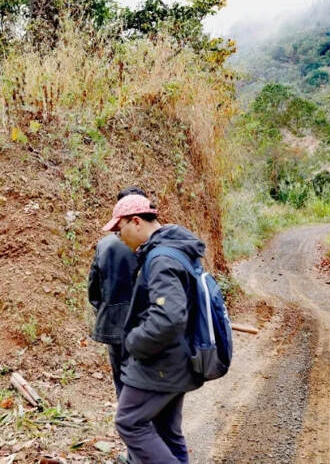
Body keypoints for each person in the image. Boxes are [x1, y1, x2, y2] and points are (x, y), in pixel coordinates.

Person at [102, 194, 205, 463]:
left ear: (136, 222)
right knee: (167, 432)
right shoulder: (174, 248)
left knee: (129, 422)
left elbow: (169, 316)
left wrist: (134, 341)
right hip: (179, 359)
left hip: (162, 364)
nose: (118, 236)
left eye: (119, 228)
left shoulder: (160, 258)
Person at [88, 187, 152, 398]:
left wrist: (105, 310)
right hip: (144, 325)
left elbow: (94, 290)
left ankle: (127, 424)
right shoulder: (149, 244)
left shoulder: (104, 245)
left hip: (114, 324)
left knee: (122, 382)